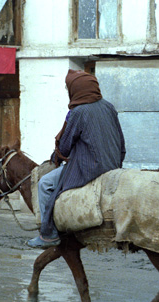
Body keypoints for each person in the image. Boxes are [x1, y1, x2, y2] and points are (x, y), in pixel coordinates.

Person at [27, 69, 126, 248]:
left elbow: (64, 146)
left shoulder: (78, 112)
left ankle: (48, 234)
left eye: (68, 89)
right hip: (113, 165)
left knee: (46, 184)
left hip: (89, 168)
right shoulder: (109, 106)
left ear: (76, 90)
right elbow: (121, 143)